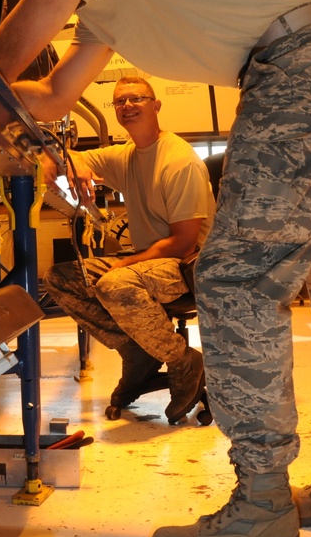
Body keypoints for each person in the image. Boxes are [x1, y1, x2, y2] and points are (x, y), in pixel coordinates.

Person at [0, 0, 311, 537]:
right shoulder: (108, 4)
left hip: (293, 65)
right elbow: (54, 93)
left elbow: (0, 60)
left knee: (236, 277)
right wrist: (12, 105)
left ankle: (262, 504)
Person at [41, 77, 214, 424]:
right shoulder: (128, 155)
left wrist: (125, 264)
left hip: (192, 266)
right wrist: (74, 166)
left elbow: (182, 242)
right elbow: (62, 156)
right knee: (59, 278)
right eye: (120, 102)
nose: (127, 106)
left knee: (113, 283)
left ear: (156, 105)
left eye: (137, 98)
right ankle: (136, 351)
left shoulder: (179, 161)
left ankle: (183, 362)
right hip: (152, 262)